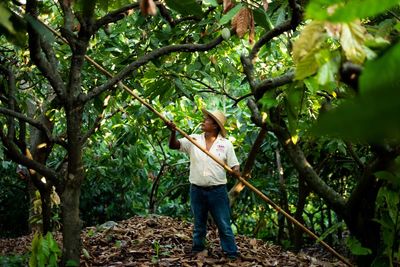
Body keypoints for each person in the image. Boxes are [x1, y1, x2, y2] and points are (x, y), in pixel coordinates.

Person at [166, 108, 240, 259]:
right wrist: (173, 132)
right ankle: (197, 249)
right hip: (197, 190)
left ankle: (231, 253)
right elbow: (174, 145)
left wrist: (236, 171)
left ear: (215, 126)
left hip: (217, 191)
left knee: (224, 225)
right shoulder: (193, 139)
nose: (203, 121)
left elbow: (235, 165)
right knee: (199, 224)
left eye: (207, 120)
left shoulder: (225, 144)